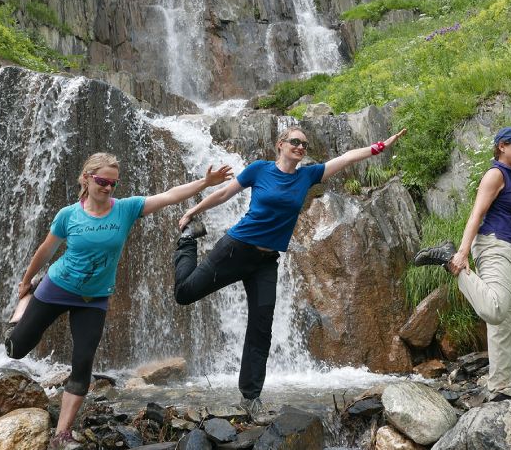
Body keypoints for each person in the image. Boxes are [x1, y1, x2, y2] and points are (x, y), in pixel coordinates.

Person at [174, 125, 407, 423]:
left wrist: (379, 146)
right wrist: (192, 213)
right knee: (185, 293)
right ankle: (187, 241)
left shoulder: (307, 176)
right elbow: (223, 194)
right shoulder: (259, 170)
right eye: (295, 141)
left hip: (266, 261)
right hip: (236, 248)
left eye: (304, 145)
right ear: (280, 144)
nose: (300, 147)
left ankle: (250, 398)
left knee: (261, 327)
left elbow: (347, 157)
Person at [5, 152, 232, 450]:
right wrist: (25, 283)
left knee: (83, 363)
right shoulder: (68, 215)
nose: (108, 187)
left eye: (113, 183)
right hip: (57, 287)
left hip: (94, 298)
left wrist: (205, 182)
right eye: (102, 181)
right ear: (86, 178)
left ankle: (62, 434)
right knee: (16, 349)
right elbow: (46, 251)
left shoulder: (125, 209)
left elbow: (169, 196)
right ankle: (23, 308)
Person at [414, 95, 511, 397]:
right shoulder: (495, 174)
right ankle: (449, 260)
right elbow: (476, 214)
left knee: (507, 325)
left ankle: (503, 386)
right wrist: (462, 253)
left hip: (508, 251)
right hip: (492, 245)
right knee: (496, 310)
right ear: (502, 146)